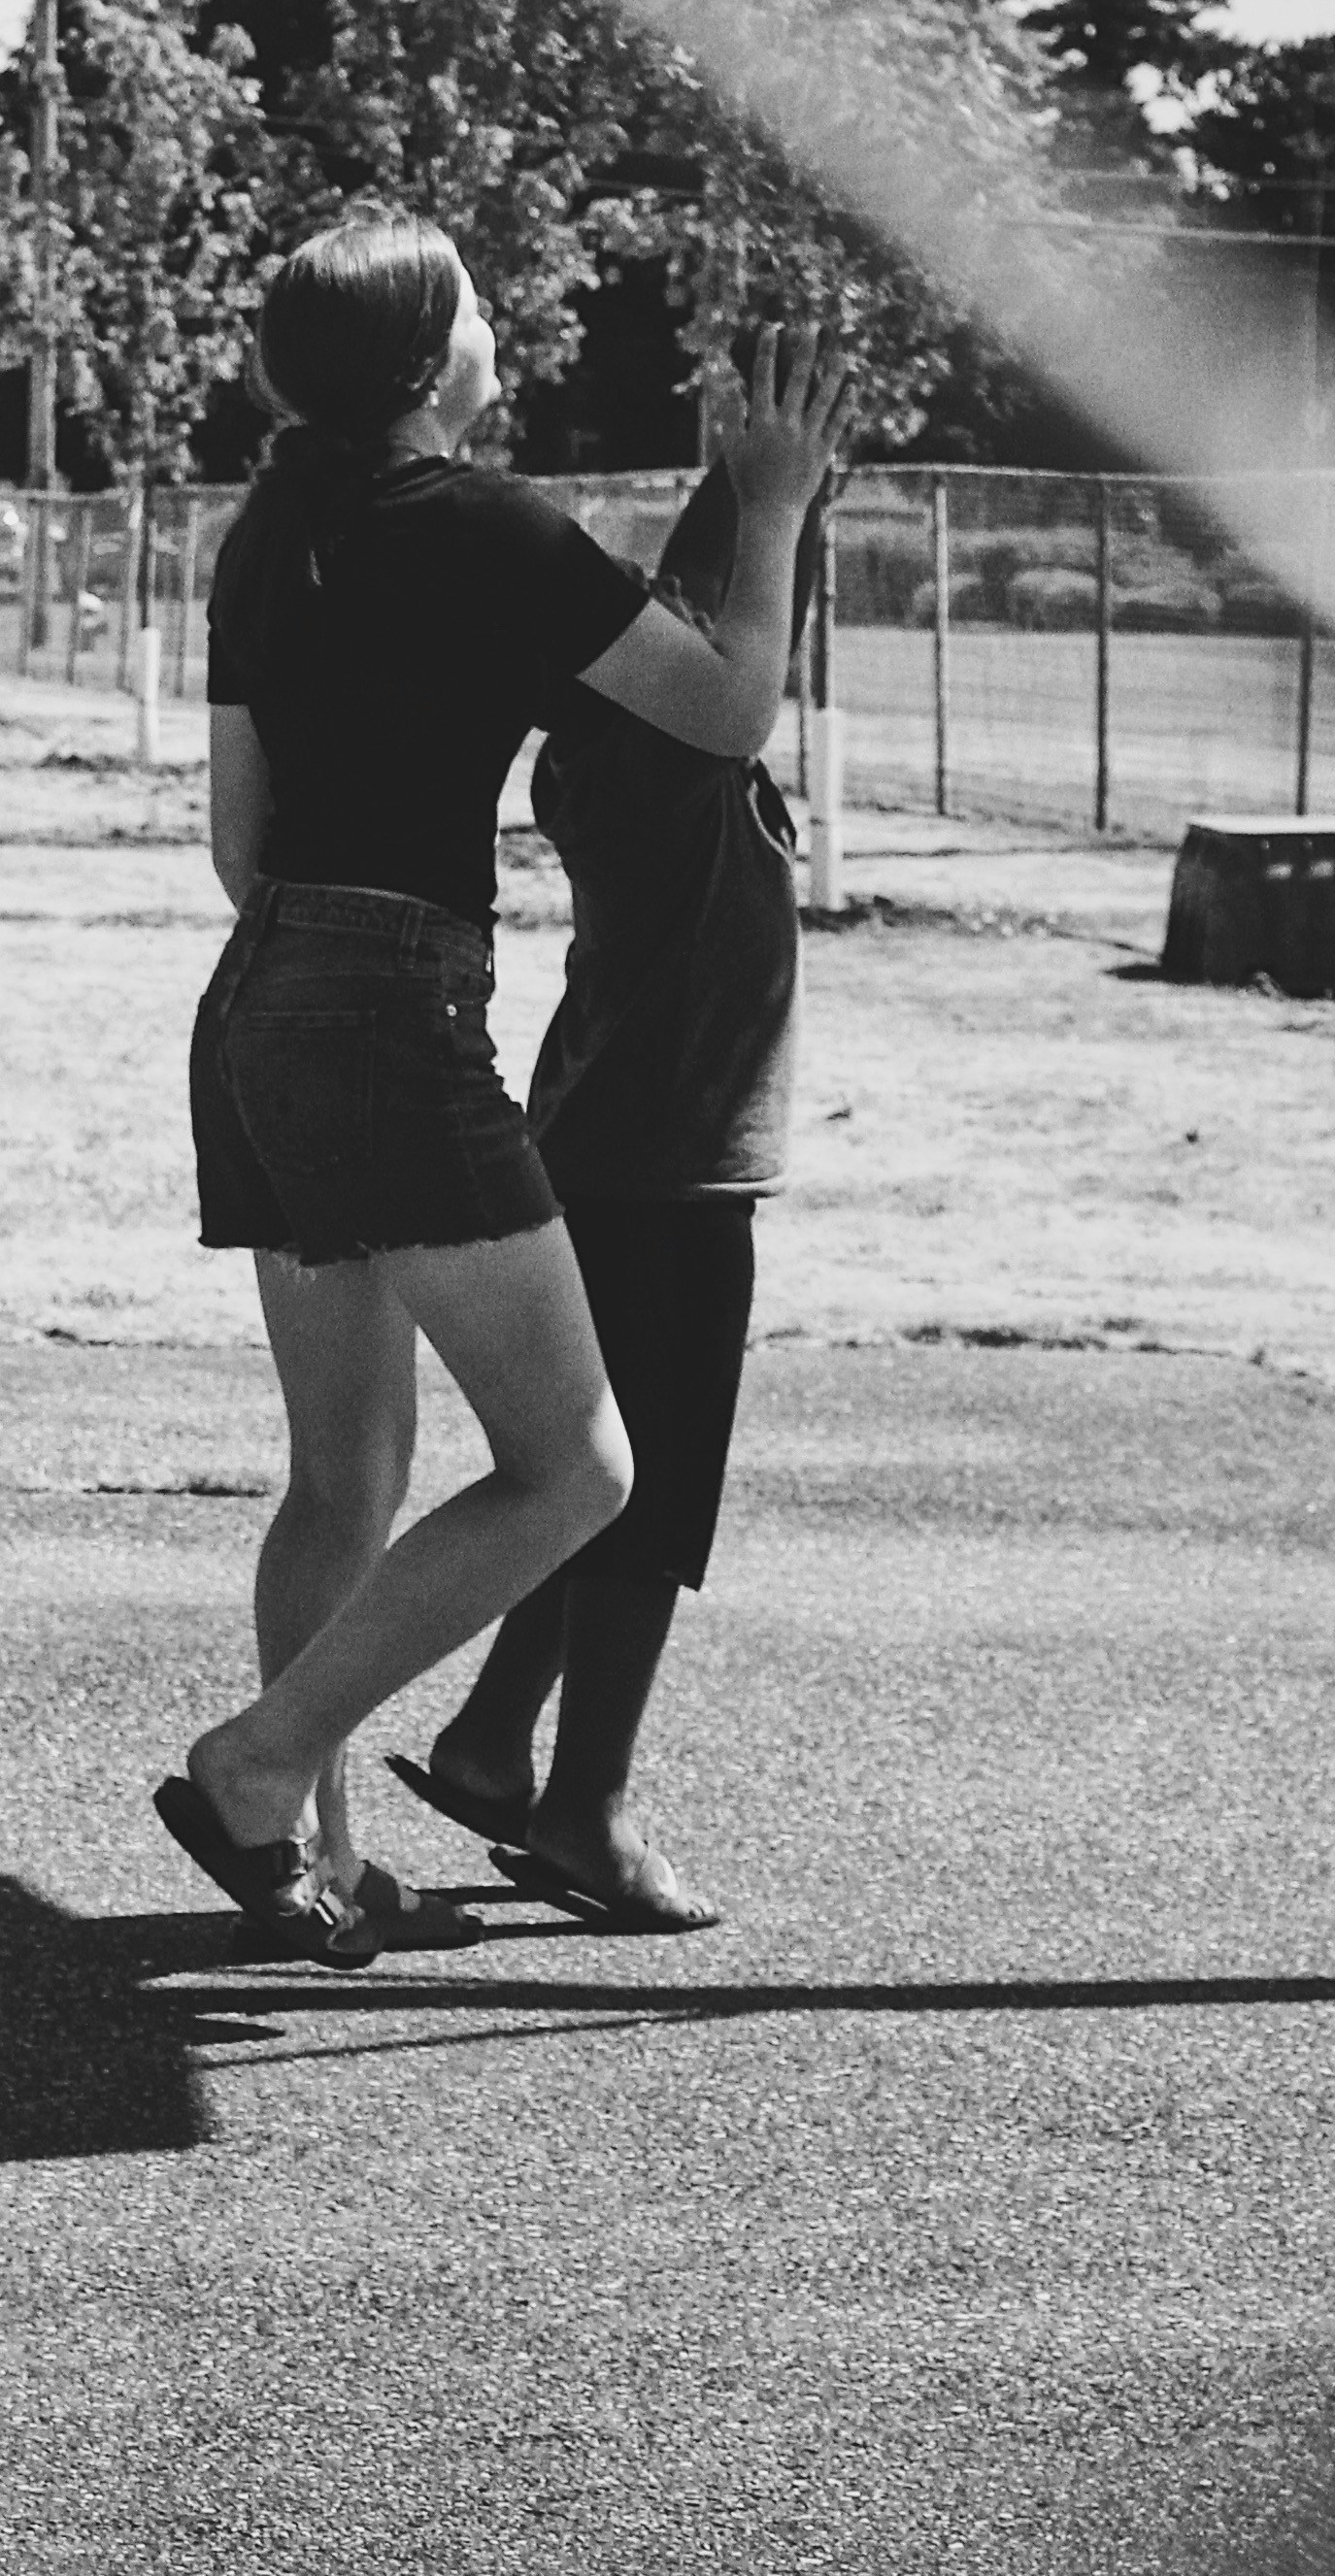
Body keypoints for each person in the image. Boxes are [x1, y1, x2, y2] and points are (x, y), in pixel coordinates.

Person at [158, 209, 851, 1965]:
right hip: (388, 1019)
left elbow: (242, 851)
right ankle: (256, 1769)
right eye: (474, 309)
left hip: (254, 1011)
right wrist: (766, 504)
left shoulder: (268, 536)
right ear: (427, 361)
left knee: (346, 1474)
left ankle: (299, 1855)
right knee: (581, 1469)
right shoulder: (488, 526)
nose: (494, 329)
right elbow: (723, 710)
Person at [384, 446, 814, 1934]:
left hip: (621, 1148)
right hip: (668, 1167)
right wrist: (770, 498)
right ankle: (591, 1814)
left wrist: (768, 492)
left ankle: (497, 1747)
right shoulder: (678, 759)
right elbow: (733, 613)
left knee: (605, 1482)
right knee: (654, 1503)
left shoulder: (629, 750)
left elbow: (719, 613)